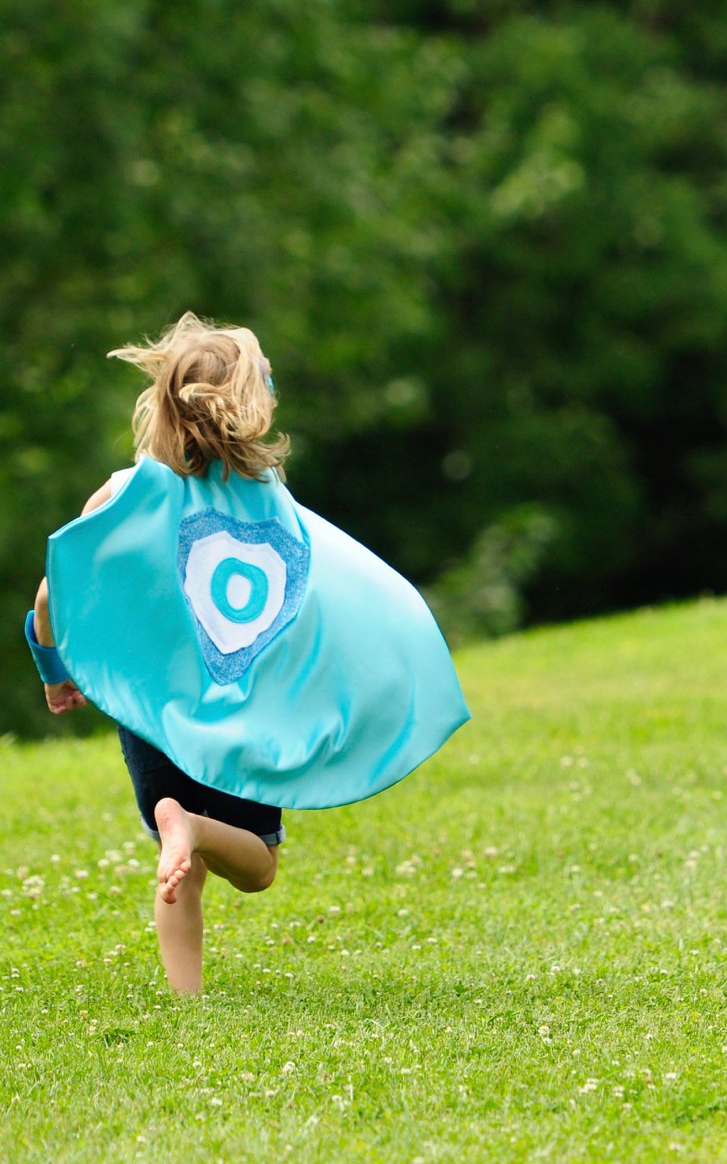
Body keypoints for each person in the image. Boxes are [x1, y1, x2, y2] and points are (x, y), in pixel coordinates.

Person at [27, 313, 469, 992]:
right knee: (258, 867)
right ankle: (195, 828)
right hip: (247, 708)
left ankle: (188, 1000)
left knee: (183, 874)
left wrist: (56, 672)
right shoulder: (269, 502)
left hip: (156, 708)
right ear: (252, 408)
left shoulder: (123, 492)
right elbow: (321, 596)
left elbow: (54, 593)